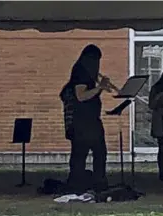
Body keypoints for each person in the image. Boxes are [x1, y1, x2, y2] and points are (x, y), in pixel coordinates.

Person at [59, 44, 112, 193]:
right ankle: (90, 183)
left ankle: (81, 183)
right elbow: (81, 96)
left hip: (88, 120)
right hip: (83, 121)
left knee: (85, 153)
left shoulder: (84, 72)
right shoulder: (81, 73)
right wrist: (100, 87)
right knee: (91, 153)